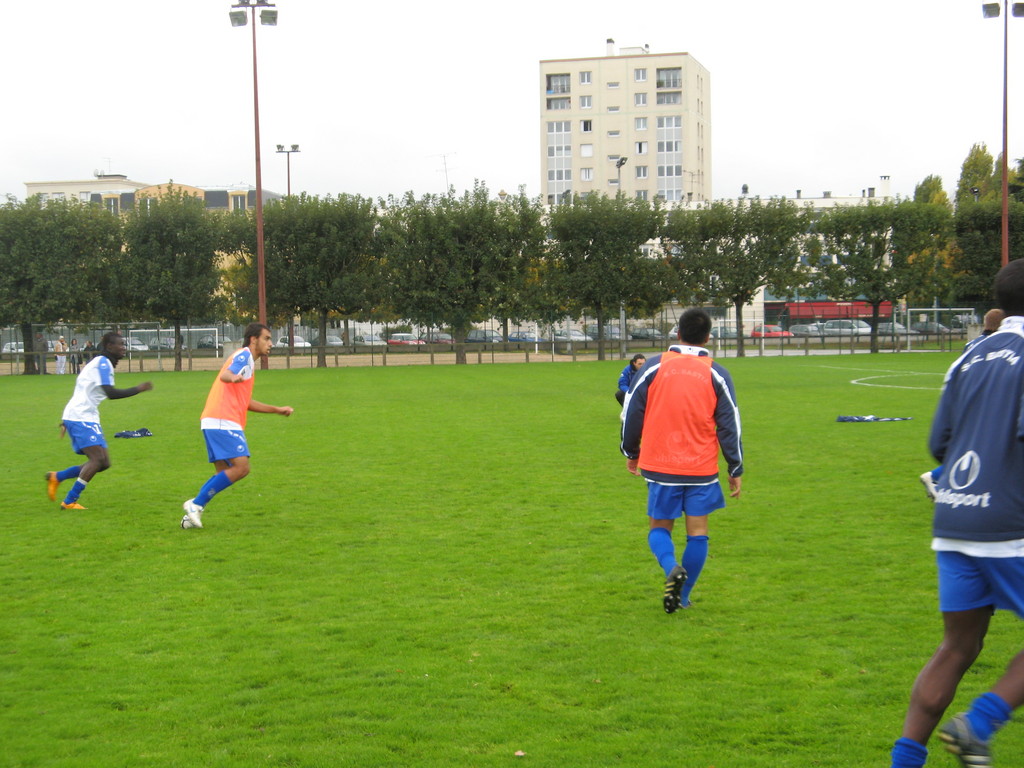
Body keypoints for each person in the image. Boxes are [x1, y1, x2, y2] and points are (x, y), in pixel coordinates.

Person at [889, 262, 1024, 768]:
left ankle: (905, 762)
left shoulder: (971, 354)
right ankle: (979, 724)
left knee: (957, 646)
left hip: (955, 520)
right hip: (1010, 525)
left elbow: (936, 443)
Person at [620, 307, 743, 614]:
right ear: (708, 338)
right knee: (698, 532)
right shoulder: (717, 372)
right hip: (701, 468)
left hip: (661, 465)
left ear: (677, 334)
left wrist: (631, 452)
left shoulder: (654, 366)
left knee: (659, 528)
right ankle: (684, 596)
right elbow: (730, 424)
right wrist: (735, 467)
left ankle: (671, 568)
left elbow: (632, 412)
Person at [180, 322, 293, 529]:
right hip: (223, 419)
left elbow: (246, 402)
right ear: (253, 339)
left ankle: (190, 516)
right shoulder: (245, 356)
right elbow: (225, 375)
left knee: (223, 472)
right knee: (241, 467)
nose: (271, 343)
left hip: (214, 420)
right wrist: (233, 377)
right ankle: (196, 504)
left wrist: (276, 409)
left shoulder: (248, 363)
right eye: (267, 338)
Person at [45, 332, 153, 510]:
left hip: (85, 416)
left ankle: (58, 477)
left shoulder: (101, 363)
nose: (124, 347)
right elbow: (110, 393)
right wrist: (139, 389)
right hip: (80, 416)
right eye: (120, 344)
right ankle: (70, 501)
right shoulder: (103, 363)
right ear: (109, 347)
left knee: (104, 463)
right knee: (96, 459)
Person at [919, 308, 1006, 501]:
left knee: (977, 448)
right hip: (988, 405)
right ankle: (936, 476)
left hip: (966, 402)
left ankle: (939, 477)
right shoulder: (1001, 345)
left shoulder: (972, 344)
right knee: (990, 449)